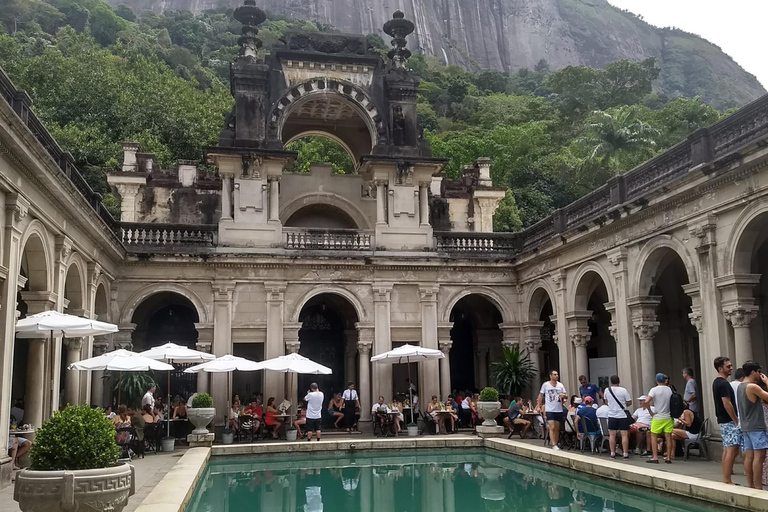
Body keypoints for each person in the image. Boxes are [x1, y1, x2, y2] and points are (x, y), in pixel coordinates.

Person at [736, 360, 768, 489]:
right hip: (756, 425)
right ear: (753, 372)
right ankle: (759, 486)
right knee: (759, 457)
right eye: (758, 372)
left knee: (749, 456)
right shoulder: (752, 387)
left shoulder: (740, 386)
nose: (760, 374)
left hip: (746, 425)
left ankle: (751, 485)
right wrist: (767, 382)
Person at [712, 356, 741, 484]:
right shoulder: (723, 384)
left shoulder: (717, 382)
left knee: (727, 448)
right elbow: (727, 403)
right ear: (720, 368)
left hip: (723, 419)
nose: (731, 368)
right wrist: (735, 419)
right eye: (728, 366)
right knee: (732, 448)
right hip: (728, 420)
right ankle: (727, 479)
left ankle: (726, 477)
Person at [645, 373, 674, 464]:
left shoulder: (654, 390)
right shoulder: (669, 389)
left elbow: (646, 402)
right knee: (668, 437)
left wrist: (650, 411)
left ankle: (655, 457)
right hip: (668, 416)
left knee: (653, 436)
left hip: (658, 417)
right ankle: (668, 457)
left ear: (656, 381)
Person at [604, 375, 632, 460]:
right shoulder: (623, 390)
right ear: (619, 381)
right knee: (624, 434)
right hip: (622, 415)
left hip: (612, 414)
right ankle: (625, 454)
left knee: (612, 434)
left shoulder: (607, 390)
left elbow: (605, 400)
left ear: (611, 382)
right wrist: (624, 405)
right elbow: (629, 402)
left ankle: (612, 453)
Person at [538, 370, 567, 450]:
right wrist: (538, 406)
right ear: (550, 376)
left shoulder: (560, 385)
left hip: (558, 409)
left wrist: (564, 396)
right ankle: (553, 444)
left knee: (557, 428)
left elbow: (566, 395)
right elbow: (540, 395)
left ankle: (555, 443)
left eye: (557, 374)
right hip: (549, 409)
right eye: (554, 374)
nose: (556, 376)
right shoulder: (546, 385)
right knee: (552, 427)